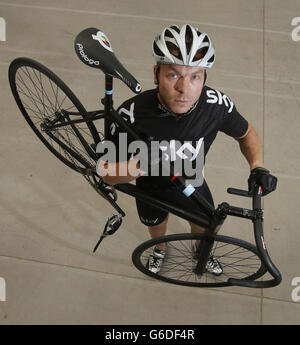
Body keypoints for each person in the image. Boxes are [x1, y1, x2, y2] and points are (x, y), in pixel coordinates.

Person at [97, 24, 277, 275]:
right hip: (151, 188)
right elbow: (106, 173)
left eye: (195, 76)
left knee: (205, 226)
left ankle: (202, 251)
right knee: (155, 225)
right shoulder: (132, 113)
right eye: (173, 75)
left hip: (192, 182)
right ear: (156, 73)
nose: (184, 88)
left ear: (204, 78)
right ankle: (159, 249)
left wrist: (257, 166)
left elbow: (246, 134)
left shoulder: (216, 106)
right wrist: (139, 165)